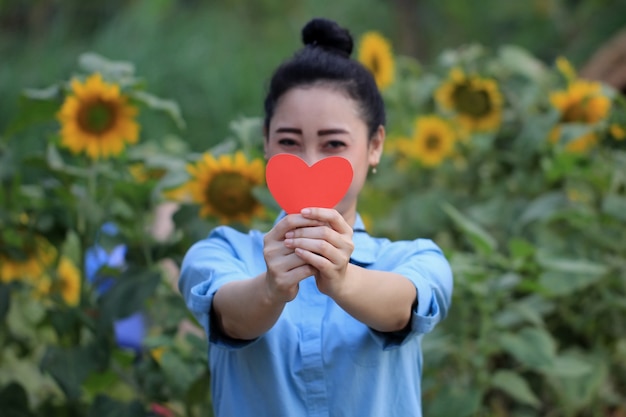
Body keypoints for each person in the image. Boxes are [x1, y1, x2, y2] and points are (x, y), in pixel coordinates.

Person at [178, 17, 453, 417]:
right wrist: (271, 289)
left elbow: (401, 310)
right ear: (266, 144)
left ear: (375, 146)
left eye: (333, 143)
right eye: (289, 141)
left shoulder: (416, 261)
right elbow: (232, 319)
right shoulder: (222, 254)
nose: (309, 161)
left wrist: (342, 279)